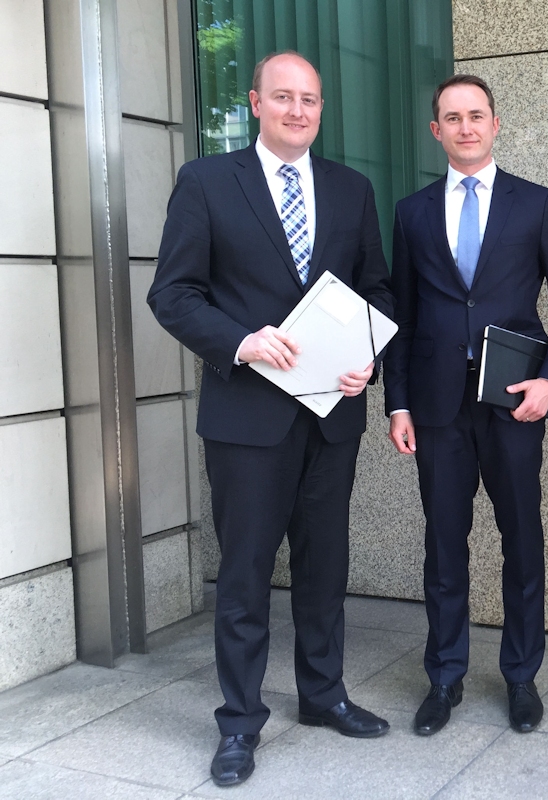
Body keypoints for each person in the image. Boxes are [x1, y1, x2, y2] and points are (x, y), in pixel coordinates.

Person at [148, 51, 393, 787]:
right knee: (246, 576)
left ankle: (322, 695)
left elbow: (376, 289)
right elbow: (173, 293)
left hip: (331, 416)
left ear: (320, 108)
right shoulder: (205, 182)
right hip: (246, 420)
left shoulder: (351, 189)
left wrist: (368, 357)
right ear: (255, 103)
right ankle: (239, 722)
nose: (297, 110)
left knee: (325, 568)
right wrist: (241, 342)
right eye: (283, 97)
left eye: (309, 99)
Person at [384, 74, 548, 736]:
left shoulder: (536, 205)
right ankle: (444, 676)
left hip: (513, 403)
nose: (466, 126)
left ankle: (521, 676)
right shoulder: (412, 213)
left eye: (476, 115)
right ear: (436, 130)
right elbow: (403, 317)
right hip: (437, 407)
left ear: (495, 124)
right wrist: (397, 404)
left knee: (521, 540)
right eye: (453, 117)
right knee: (444, 545)